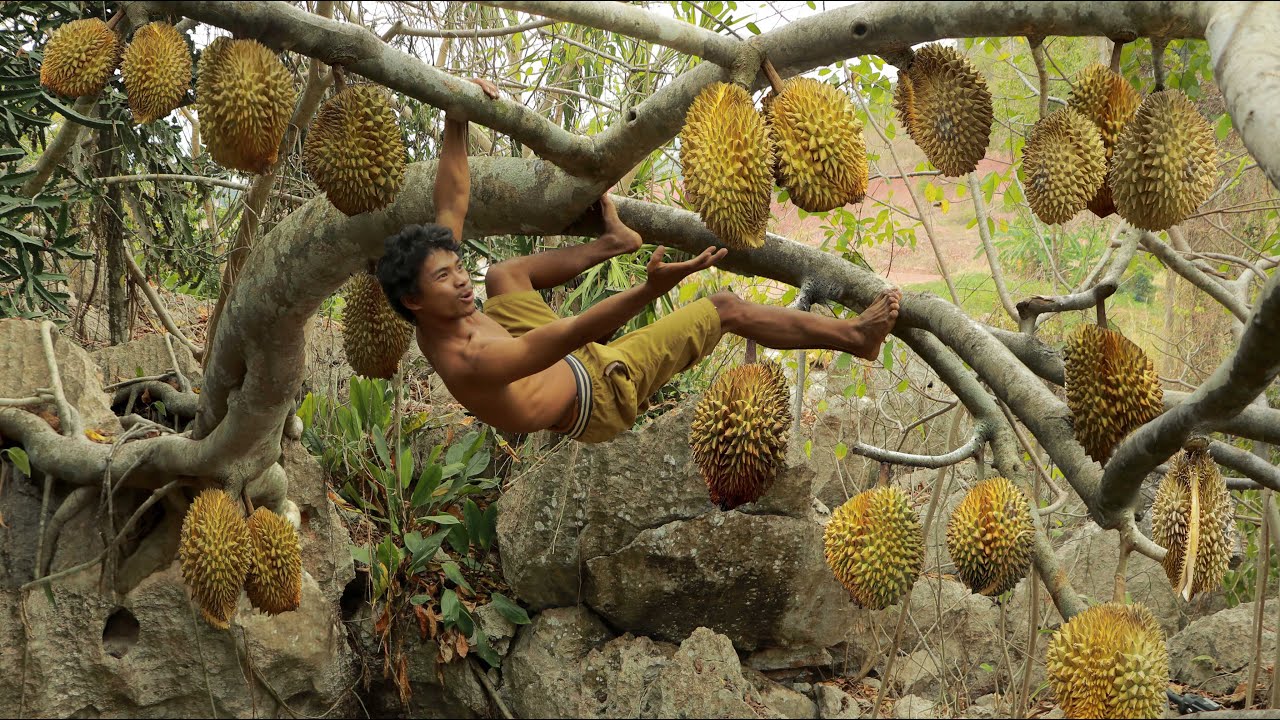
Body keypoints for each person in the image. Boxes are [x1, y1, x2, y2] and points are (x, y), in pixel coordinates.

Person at [376, 78, 901, 444]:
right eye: (446, 278)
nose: (462, 282)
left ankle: (614, 242)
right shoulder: (470, 359)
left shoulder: (437, 305)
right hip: (597, 391)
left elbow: (453, 199)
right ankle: (856, 338)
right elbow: (571, 332)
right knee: (724, 308)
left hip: (553, 356)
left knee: (503, 274)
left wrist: (457, 116)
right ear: (414, 300)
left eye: (456, 266)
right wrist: (652, 290)